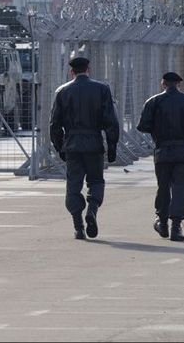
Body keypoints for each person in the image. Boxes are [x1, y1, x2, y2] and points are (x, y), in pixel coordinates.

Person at [50, 57, 120, 240]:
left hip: (72, 144)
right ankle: (92, 210)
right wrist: (112, 145)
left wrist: (59, 146)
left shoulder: (62, 91)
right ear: (88, 69)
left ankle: (78, 225)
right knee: (96, 181)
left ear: (71, 71)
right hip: (94, 143)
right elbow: (111, 120)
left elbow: (54, 124)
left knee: (73, 185)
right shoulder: (102, 89)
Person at [137, 72, 184, 242]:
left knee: (163, 187)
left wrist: (158, 128)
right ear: (179, 84)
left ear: (163, 83)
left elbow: (143, 126)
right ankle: (176, 226)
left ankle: (162, 222)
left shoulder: (154, 101)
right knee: (182, 189)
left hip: (162, 151)